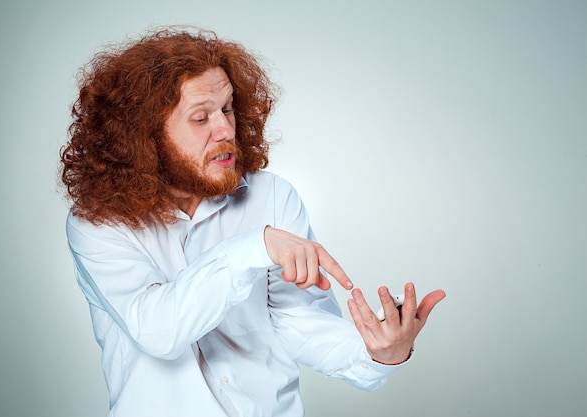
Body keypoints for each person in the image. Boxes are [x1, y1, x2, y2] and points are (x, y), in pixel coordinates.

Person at [60, 26, 446, 417]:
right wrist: (254, 248)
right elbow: (158, 330)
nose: (225, 130)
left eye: (227, 108)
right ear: (145, 135)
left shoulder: (272, 196)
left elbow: (297, 321)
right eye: (201, 118)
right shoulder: (98, 223)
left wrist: (379, 353)